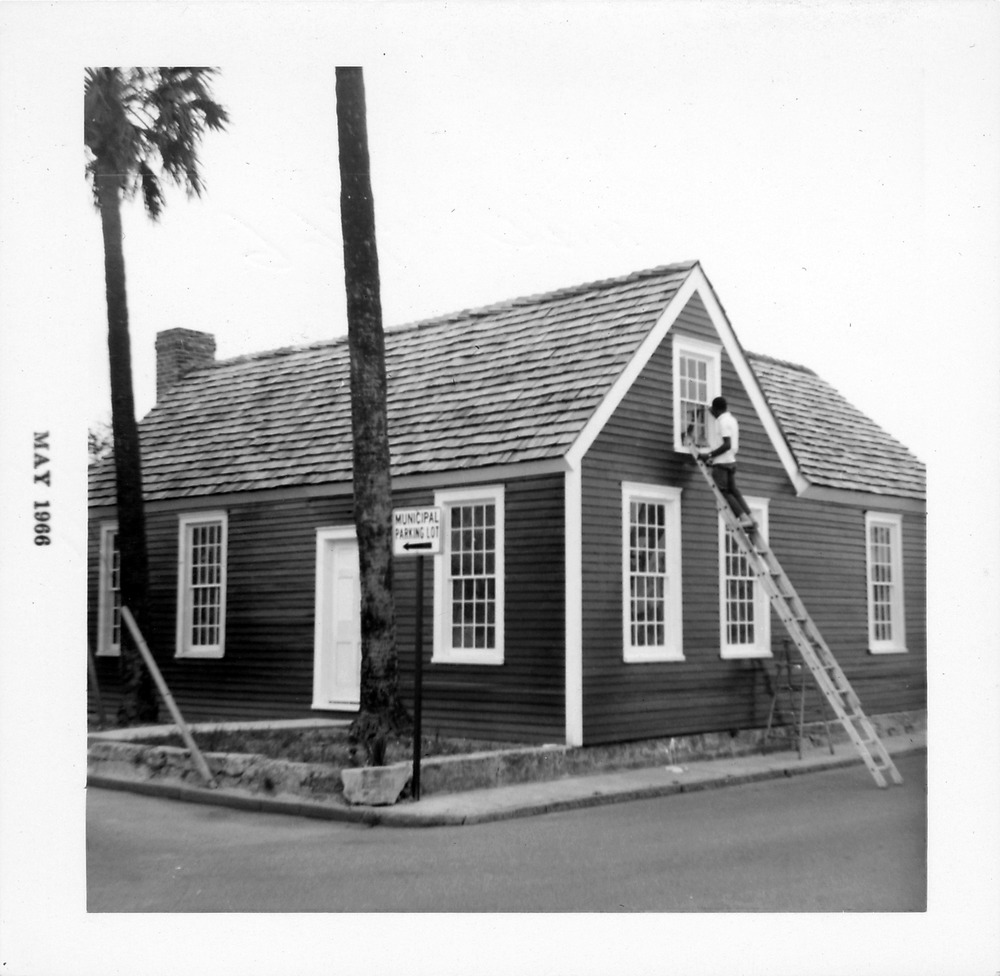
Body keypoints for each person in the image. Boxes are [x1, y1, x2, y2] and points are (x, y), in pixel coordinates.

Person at [697, 396, 756, 532]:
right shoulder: (732, 420)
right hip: (731, 461)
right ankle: (751, 517)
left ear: (716, 410)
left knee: (724, 492)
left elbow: (727, 444)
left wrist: (710, 455)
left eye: (713, 410)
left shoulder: (722, 422)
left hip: (722, 464)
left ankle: (744, 518)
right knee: (734, 491)